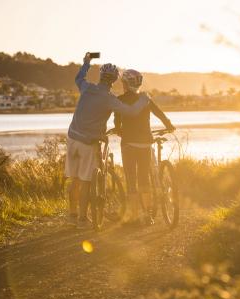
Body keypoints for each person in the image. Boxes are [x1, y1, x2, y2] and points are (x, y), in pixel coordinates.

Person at [65, 53, 150, 229]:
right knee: (86, 180)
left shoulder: (86, 88)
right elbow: (131, 112)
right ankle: (82, 220)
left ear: (101, 76)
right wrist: (143, 100)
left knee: (75, 179)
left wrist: (87, 62)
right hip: (88, 142)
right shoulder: (110, 99)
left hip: (72, 138)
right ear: (113, 81)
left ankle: (72, 215)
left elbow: (79, 77)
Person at [114, 69, 175, 225]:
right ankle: (147, 216)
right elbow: (159, 113)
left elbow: (117, 123)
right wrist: (169, 125)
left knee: (131, 180)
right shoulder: (145, 98)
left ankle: (135, 217)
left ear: (126, 84)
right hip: (145, 143)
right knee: (143, 180)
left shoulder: (120, 99)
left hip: (129, 144)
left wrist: (120, 131)